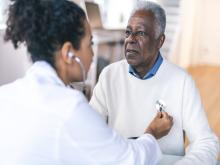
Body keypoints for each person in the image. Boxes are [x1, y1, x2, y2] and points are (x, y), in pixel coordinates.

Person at [0, 0, 174, 164]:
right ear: (68, 53)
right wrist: (152, 132)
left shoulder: (5, 94)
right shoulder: (69, 108)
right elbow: (128, 160)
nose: (92, 55)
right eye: (90, 44)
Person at [90, 1, 219, 164]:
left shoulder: (182, 81)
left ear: (160, 41)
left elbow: (206, 142)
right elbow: (89, 132)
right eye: (128, 32)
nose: (130, 39)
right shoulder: (109, 75)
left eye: (141, 33)